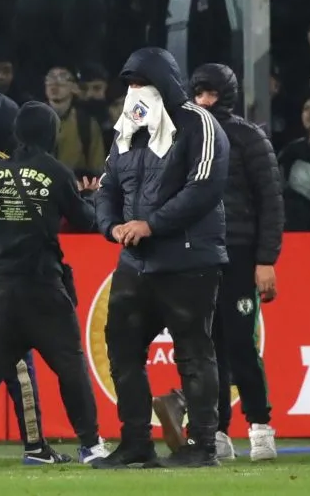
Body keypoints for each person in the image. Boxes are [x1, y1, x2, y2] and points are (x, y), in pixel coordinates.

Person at [94, 47, 230, 469]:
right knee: (121, 345)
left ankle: (203, 445)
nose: (135, 90)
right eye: (130, 84)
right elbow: (107, 186)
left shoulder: (198, 122)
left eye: (142, 82)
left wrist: (150, 224)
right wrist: (111, 226)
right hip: (136, 261)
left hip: (189, 259)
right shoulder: (128, 127)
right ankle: (136, 441)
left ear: (164, 83)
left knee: (193, 351)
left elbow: (205, 185)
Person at [153, 64, 283, 462]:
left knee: (241, 343)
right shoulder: (183, 136)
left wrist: (266, 260)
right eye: (199, 93)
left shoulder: (248, 136)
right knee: (208, 347)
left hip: (240, 254)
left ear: (227, 95)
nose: (204, 101)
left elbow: (271, 201)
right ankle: (219, 431)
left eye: (211, 93)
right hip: (198, 255)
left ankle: (259, 426)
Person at [0, 101, 109, 465]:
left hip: (3, 288)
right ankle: (91, 445)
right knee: (70, 366)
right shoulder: (56, 171)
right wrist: (91, 197)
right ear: (51, 133)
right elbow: (86, 221)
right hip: (44, 287)